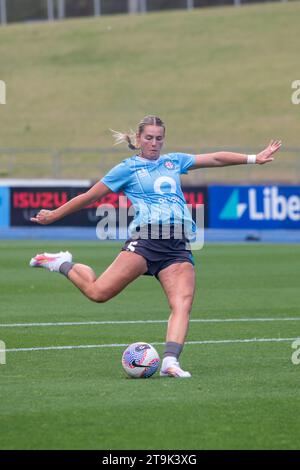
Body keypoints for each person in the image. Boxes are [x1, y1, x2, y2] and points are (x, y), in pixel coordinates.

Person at [29, 115, 281, 378]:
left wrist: (255, 158)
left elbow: (215, 159)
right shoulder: (127, 168)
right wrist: (55, 215)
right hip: (147, 240)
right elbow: (90, 196)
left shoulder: (174, 161)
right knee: (98, 293)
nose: (154, 143)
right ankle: (61, 262)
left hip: (178, 245)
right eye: (148, 138)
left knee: (182, 303)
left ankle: (170, 362)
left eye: (159, 138)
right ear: (138, 139)